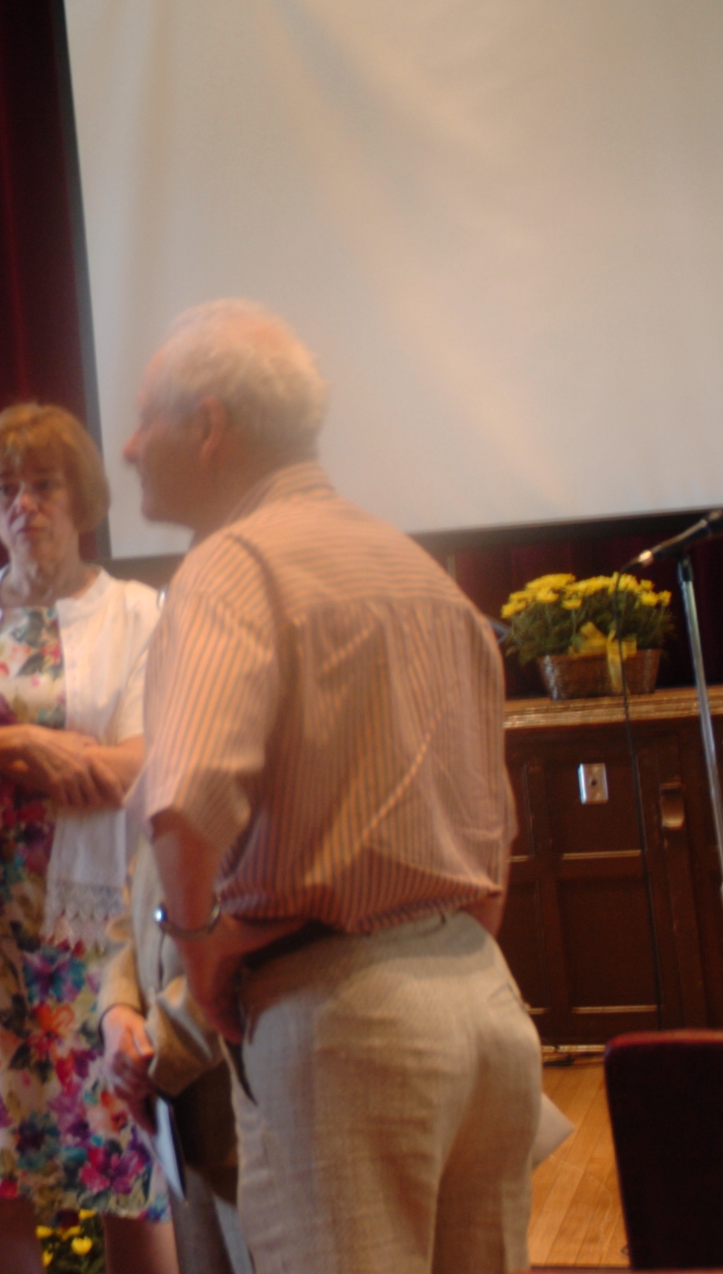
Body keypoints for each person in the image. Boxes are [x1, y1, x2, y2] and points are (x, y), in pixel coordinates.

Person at [123, 299, 539, 1274]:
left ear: (210, 427)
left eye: (144, 419)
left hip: (339, 1024)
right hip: (487, 1011)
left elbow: (186, 802)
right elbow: (494, 846)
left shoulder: (229, 568)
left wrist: (200, 951)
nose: (131, 447)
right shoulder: (422, 572)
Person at [0, 404, 176, 1274]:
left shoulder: (136, 612)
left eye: (44, 485)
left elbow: (136, 764)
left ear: (81, 497)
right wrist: (23, 747)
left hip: (96, 933)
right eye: (7, 488)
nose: (24, 505)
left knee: (124, 1165)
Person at [99, 847, 248, 1274]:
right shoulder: (162, 802)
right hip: (182, 1120)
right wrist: (118, 1010)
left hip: (243, 1100)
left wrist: (155, 1046)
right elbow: (130, 909)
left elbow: (251, 927)